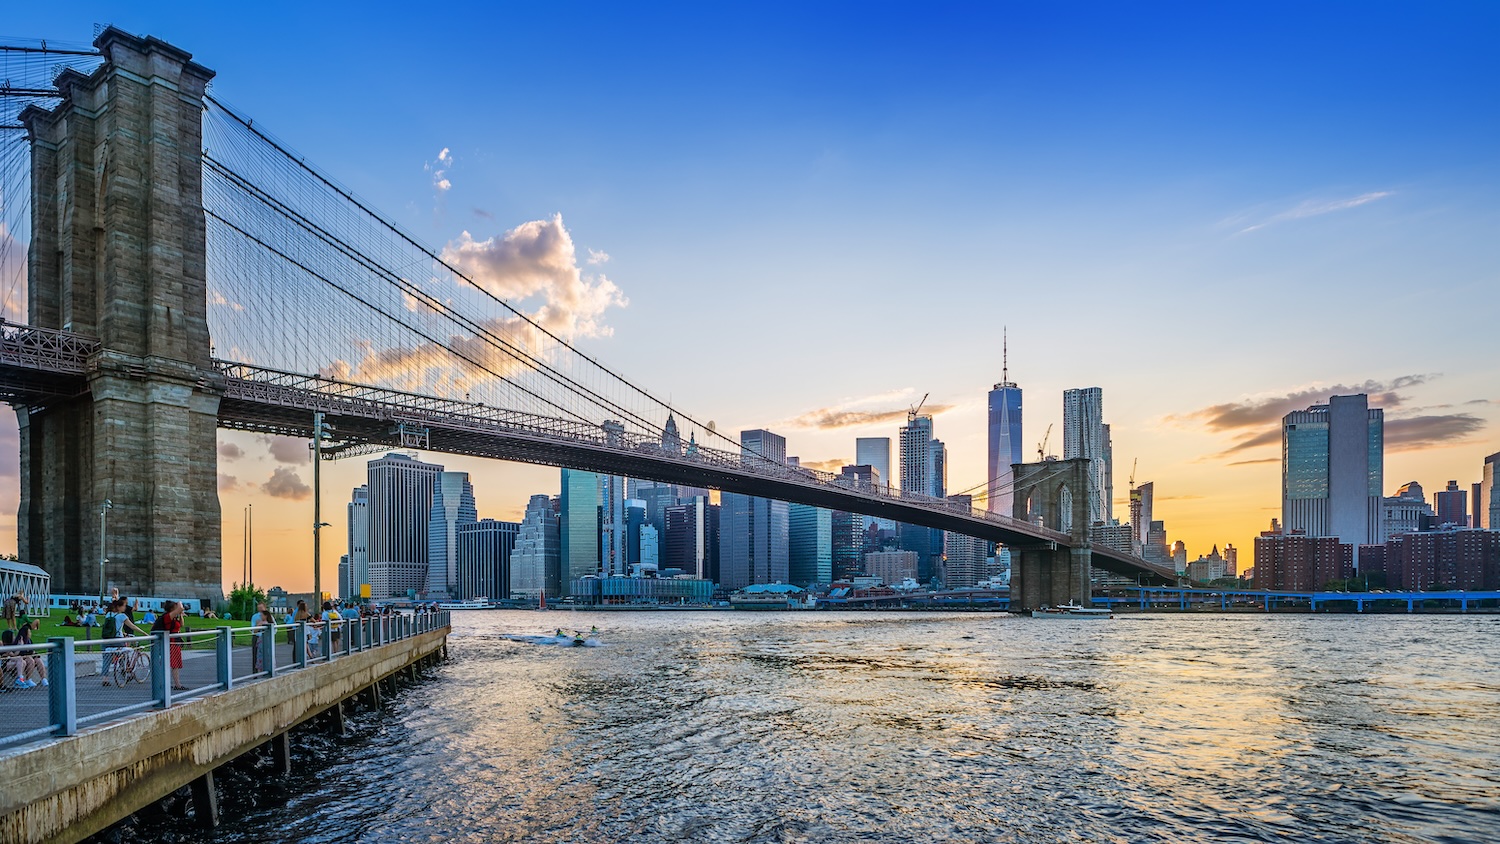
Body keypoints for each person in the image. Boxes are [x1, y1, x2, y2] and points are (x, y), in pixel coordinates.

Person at [101, 598, 146, 685]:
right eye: (124, 606)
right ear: (119, 607)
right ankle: (124, 672)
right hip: (118, 640)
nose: (125, 608)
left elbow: (112, 628)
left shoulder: (108, 614)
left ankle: (105, 679)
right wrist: (144, 633)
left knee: (106, 659)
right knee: (124, 655)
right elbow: (132, 626)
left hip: (107, 639)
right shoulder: (122, 616)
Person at [151, 600, 187, 691]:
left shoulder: (174, 617)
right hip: (170, 642)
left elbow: (181, 624)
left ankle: (174, 683)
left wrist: (181, 615)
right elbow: (181, 607)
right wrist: (179, 602)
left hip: (175, 641)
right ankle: (176, 684)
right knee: (173, 664)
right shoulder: (168, 616)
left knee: (175, 664)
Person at [14, 621, 47, 687]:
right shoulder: (19, 641)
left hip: (28, 657)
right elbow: (17, 654)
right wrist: (21, 647)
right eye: (29, 632)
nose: (30, 633)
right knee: (30, 660)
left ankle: (43, 679)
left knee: (38, 660)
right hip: (21, 659)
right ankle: (28, 679)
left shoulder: (29, 640)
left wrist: (35, 655)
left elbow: (32, 651)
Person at [249, 602, 272, 673]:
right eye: (258, 609)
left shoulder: (270, 616)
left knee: (268, 654)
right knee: (255, 655)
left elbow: (274, 628)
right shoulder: (255, 616)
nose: (260, 610)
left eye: (261, 608)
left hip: (266, 638)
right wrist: (258, 625)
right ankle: (255, 672)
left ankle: (267, 669)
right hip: (257, 637)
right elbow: (253, 629)